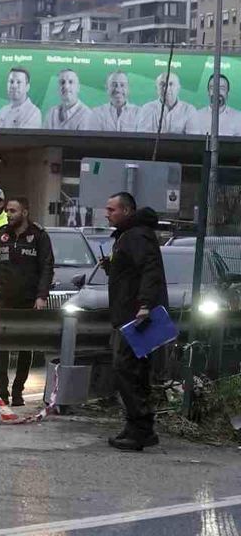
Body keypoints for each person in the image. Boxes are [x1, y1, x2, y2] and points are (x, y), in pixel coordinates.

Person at [100, 191, 169, 452]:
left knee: (126, 370)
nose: (107, 214)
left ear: (127, 211)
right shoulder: (127, 235)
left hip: (135, 317)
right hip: (127, 314)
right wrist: (112, 266)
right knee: (132, 371)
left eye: (112, 210)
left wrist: (145, 305)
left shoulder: (137, 235)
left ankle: (140, 429)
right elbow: (131, 270)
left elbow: (149, 270)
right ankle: (137, 427)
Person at [0, 196, 54, 406]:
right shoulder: (2, 236)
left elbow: (46, 268)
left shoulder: (39, 236)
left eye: (13, 211)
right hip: (2, 301)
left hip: (28, 302)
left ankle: (18, 390)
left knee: (23, 347)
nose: (9, 215)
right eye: (8, 211)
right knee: (0, 347)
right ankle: (1, 391)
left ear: (25, 213)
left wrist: (41, 296)